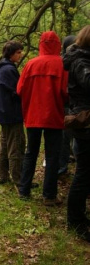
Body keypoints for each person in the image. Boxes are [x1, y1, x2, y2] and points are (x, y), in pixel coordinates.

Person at [16, 31, 68, 206]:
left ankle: (24, 191)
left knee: (31, 152)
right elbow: (66, 92)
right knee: (53, 156)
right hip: (54, 116)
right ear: (58, 44)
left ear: (41, 44)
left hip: (33, 116)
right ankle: (49, 196)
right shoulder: (62, 64)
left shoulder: (30, 64)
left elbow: (20, 89)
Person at [63, 25, 90, 242]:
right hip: (85, 123)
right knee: (83, 173)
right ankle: (75, 220)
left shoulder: (79, 59)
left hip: (82, 120)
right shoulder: (81, 61)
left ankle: (78, 217)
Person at [0, 41, 25, 186]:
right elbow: (17, 92)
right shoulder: (8, 70)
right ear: (11, 53)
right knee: (15, 146)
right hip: (11, 113)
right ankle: (18, 179)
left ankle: (2, 176)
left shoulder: (3, 68)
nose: (21, 54)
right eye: (18, 52)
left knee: (5, 145)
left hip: (3, 113)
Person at [58, 35, 76, 175]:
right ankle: (61, 168)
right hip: (66, 105)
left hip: (74, 105)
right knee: (64, 139)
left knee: (71, 139)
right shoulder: (63, 63)